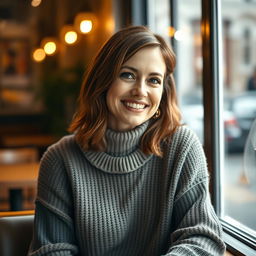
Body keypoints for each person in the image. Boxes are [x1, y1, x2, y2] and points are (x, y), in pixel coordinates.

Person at [28, 26, 226, 256]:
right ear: (103, 80)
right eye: (128, 75)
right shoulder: (60, 159)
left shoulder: (181, 146)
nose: (140, 91)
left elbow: (202, 236)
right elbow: (51, 250)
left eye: (153, 80)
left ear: (163, 90)